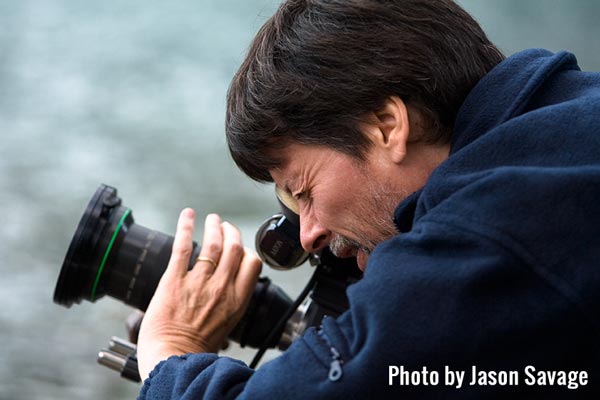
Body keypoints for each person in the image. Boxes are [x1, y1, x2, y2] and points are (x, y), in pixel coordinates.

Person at [136, 0, 600, 398]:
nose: (310, 233)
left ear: (387, 126)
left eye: (304, 191)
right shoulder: (569, 114)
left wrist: (171, 349)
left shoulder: (485, 233)